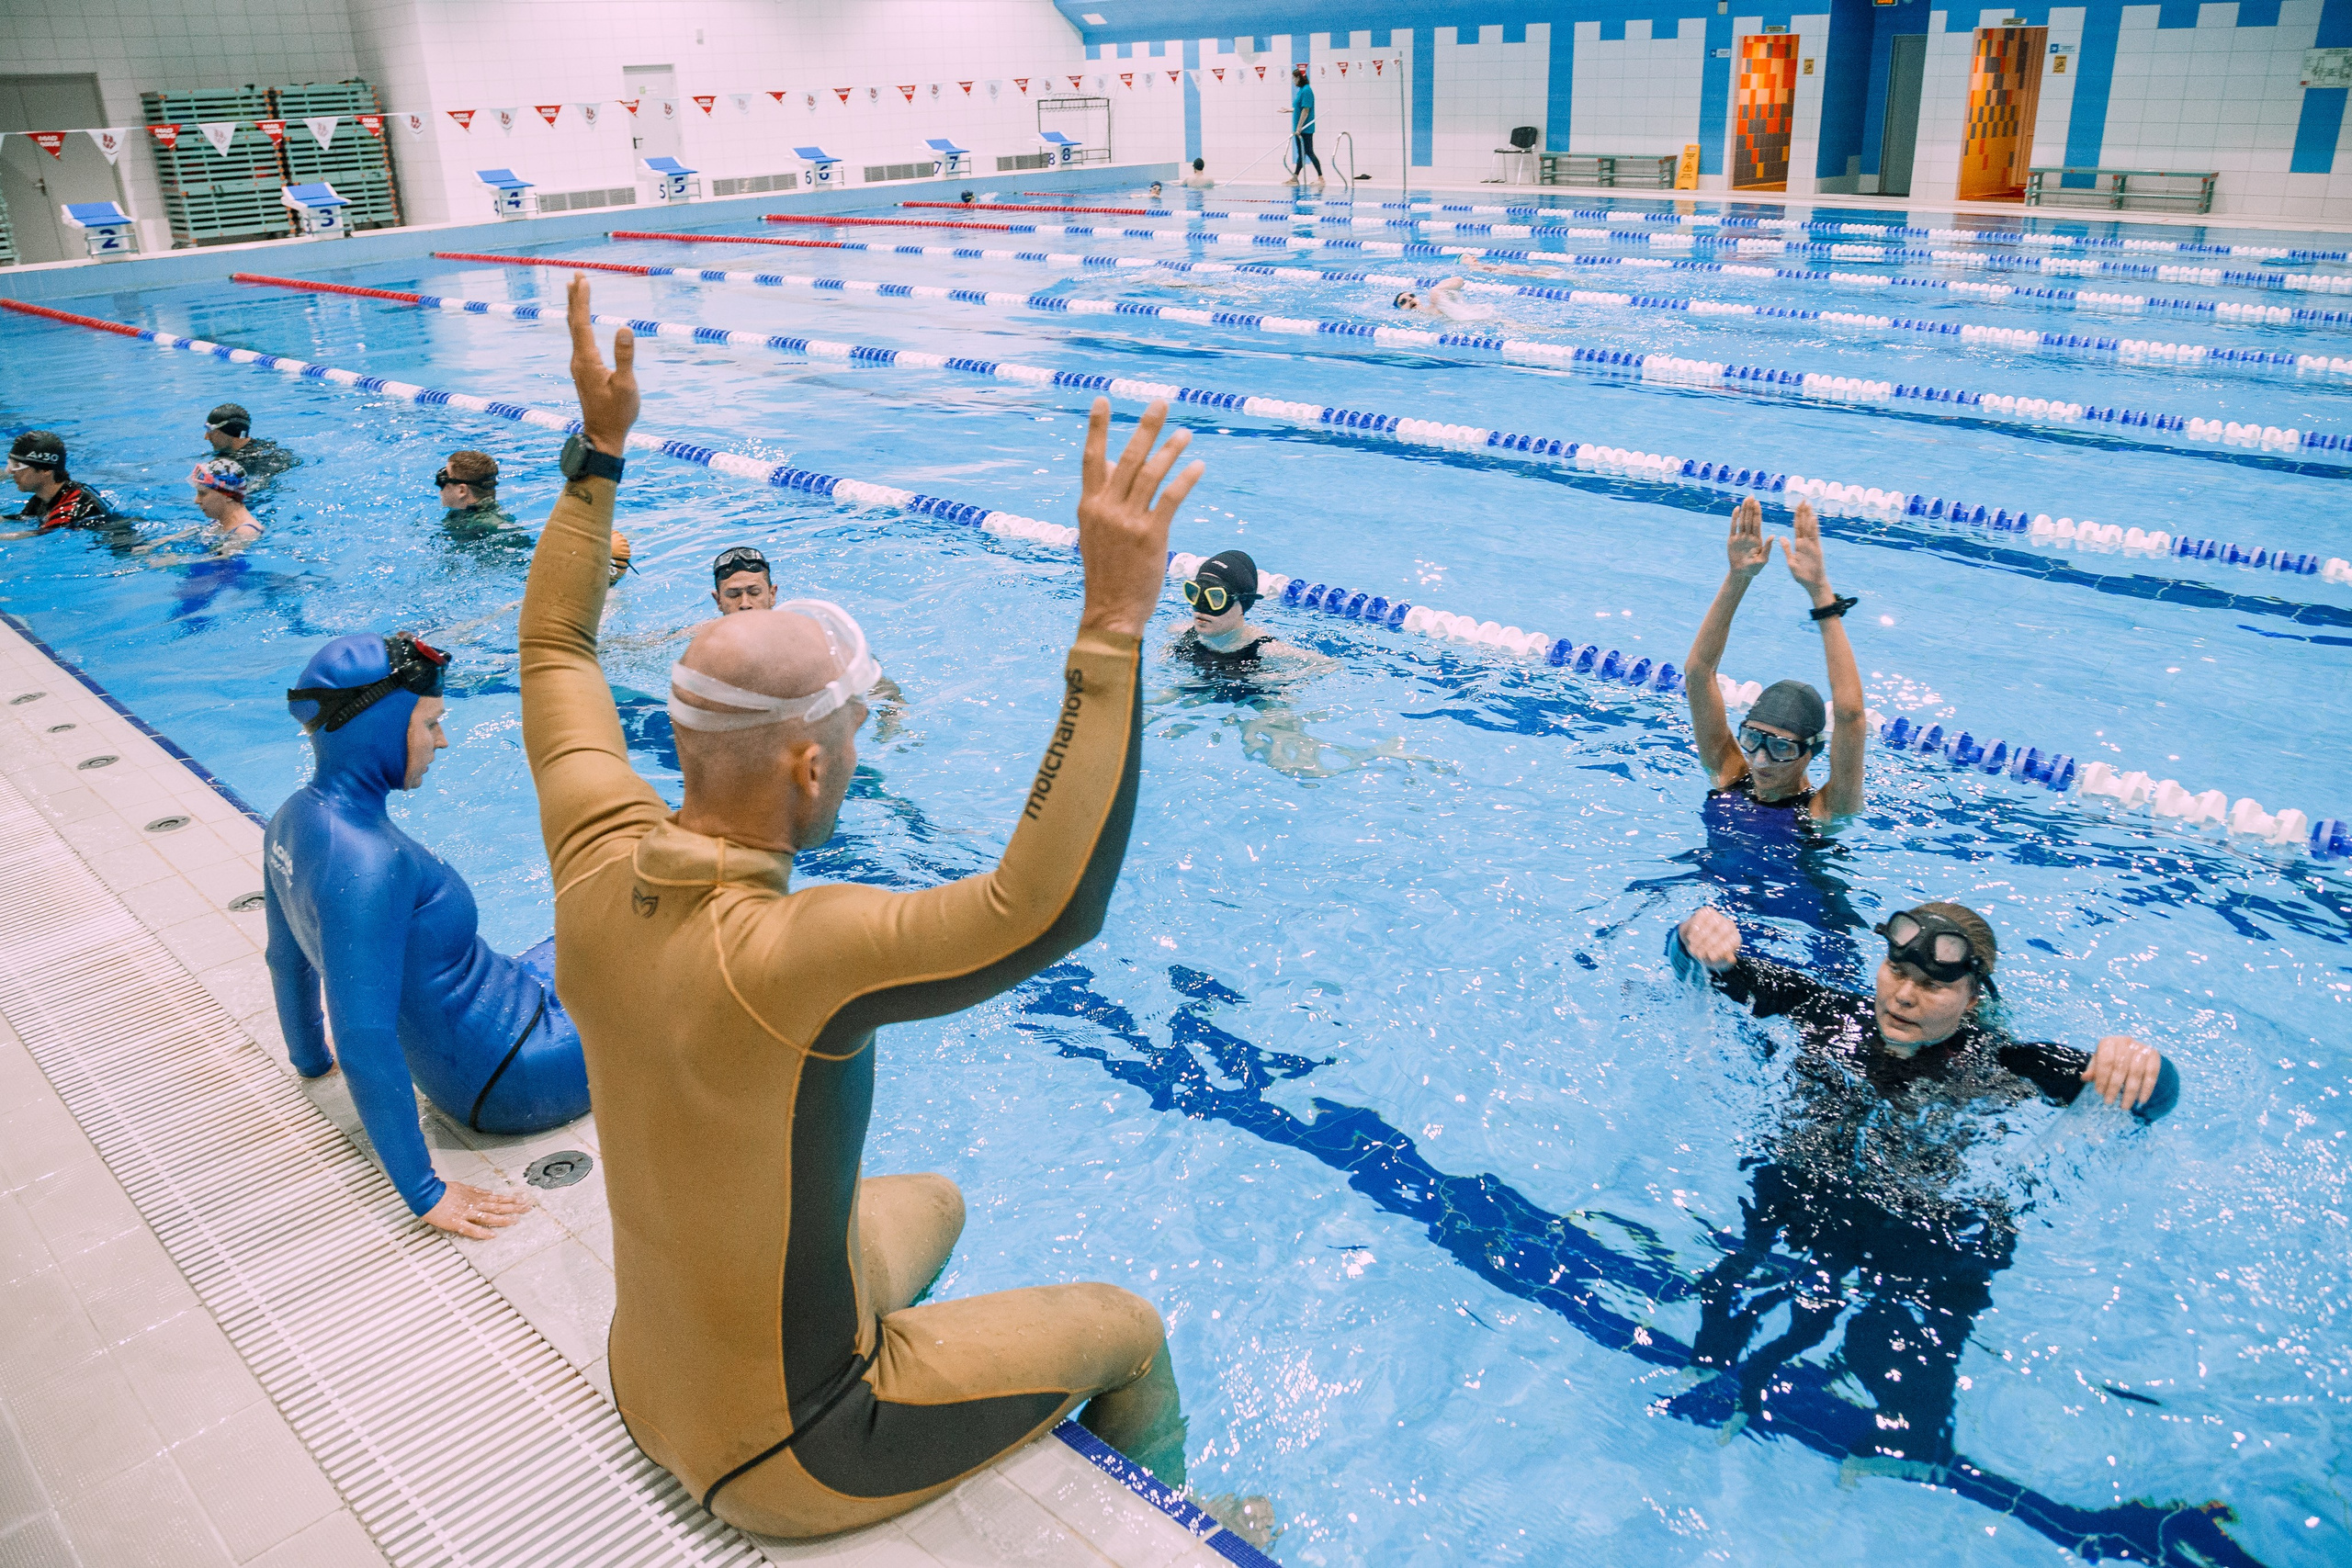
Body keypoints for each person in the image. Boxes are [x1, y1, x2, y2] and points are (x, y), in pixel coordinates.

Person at [518, 275, 1201, 1537]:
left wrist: (598, 446)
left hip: (639, 1374)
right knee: (1127, 1326)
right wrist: (1110, 626)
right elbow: (1044, 909)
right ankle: (1176, 1522)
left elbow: (556, 646)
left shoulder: (595, 843)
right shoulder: (792, 952)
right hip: (794, 1446)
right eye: (846, 732)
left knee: (934, 1197)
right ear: (811, 766)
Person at [1667, 899, 2178, 1476]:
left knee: (1925, 1317)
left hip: (1916, 1220)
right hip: (1799, 1187)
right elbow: (1703, 970)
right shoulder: (1827, 1013)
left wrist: (2140, 1065)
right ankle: (1709, 1375)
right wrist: (1693, 936)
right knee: (1740, 1275)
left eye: (1931, 987)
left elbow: (2149, 1101)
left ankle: (1905, 1446)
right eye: (1898, 973)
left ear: (1974, 998)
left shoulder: (2006, 1063)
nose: (1904, 996)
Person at [264, 630, 593, 1237]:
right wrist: (424, 1190)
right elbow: (362, 1038)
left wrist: (310, 1060)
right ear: (380, 729)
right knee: (672, 958)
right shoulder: (369, 864)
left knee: (594, 927)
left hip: (492, 1032)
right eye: (430, 723)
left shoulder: (293, 819)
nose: (442, 739)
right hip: (519, 1076)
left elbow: (286, 961)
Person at [1684, 496, 1865, 826]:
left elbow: (1850, 714)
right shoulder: (1730, 774)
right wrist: (1738, 577)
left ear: (1812, 751)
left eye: (1782, 749)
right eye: (1752, 739)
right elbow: (1698, 674)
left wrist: (1821, 594)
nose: (1761, 761)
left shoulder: (1825, 809)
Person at [1172, 549, 1285, 671]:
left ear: (1244, 603)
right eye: (1196, 592)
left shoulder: (1270, 652)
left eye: (1216, 596)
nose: (1202, 605)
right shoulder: (1182, 634)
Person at [1, 431, 116, 536]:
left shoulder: (70, 507)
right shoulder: (40, 500)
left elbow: (43, 534)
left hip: (117, 543)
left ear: (46, 470)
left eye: (17, 466)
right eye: (10, 464)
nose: (10, 471)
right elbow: (25, 518)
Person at [201, 402, 299, 482]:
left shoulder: (262, 461)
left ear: (229, 432)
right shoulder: (226, 454)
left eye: (211, 431)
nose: (206, 437)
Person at [438, 449, 516, 536]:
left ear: (462, 490)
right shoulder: (461, 514)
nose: (440, 490)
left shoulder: (491, 525)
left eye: (443, 481)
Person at [710, 544, 777, 615]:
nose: (745, 605)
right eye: (733, 595)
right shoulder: (708, 626)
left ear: (772, 595)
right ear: (718, 600)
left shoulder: (788, 623)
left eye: (754, 592)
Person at [1288, 64, 1323, 189]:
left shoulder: (1307, 90)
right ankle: (1295, 177)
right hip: (1300, 129)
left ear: (1300, 78)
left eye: (1294, 78)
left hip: (1305, 129)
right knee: (1302, 153)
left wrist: (1299, 128)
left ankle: (1321, 177)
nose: (1293, 81)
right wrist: (1289, 110)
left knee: (1308, 151)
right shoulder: (1302, 90)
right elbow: (1299, 108)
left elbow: (1306, 110)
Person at [1390, 276, 1489, 320]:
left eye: (1412, 296)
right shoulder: (1411, 321)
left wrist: (1436, 289)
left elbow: (1460, 281)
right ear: (1400, 310)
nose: (1410, 299)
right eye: (1403, 302)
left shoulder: (1437, 303)